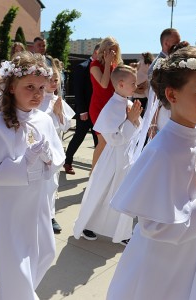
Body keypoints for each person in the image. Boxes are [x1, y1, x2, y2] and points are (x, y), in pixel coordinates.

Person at [107, 46, 196, 300]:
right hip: (159, 265)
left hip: (190, 254)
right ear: (172, 95)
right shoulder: (162, 151)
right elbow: (154, 226)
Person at [0, 51, 65, 300]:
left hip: (38, 199)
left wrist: (48, 158)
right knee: (15, 257)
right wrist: (23, 163)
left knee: (46, 251)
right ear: (12, 87)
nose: (37, 93)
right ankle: (18, 294)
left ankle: (13, 290)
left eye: (42, 87)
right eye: (30, 87)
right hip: (11, 202)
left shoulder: (44, 119)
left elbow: (57, 156)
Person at [74, 65, 142, 242]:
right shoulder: (111, 107)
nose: (136, 86)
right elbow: (113, 139)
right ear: (120, 84)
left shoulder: (128, 103)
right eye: (132, 83)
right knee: (102, 192)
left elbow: (136, 127)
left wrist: (134, 121)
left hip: (125, 157)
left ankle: (122, 232)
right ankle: (88, 225)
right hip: (112, 158)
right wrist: (130, 121)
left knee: (123, 194)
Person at [38, 63, 75, 234]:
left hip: (56, 148)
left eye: (56, 80)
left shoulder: (58, 101)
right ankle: (38, 214)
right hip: (39, 150)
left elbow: (66, 126)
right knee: (40, 183)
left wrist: (59, 113)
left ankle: (51, 215)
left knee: (53, 183)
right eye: (50, 79)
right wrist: (51, 112)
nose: (53, 83)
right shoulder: (37, 100)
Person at [63, 44, 100, 175]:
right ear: (97, 52)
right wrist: (82, 111)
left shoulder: (103, 69)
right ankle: (67, 162)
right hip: (85, 112)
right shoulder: (82, 67)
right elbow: (78, 91)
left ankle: (97, 168)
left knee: (98, 141)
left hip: (98, 112)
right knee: (78, 137)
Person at [89, 37, 122, 170]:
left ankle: (104, 172)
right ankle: (93, 173)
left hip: (111, 107)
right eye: (110, 51)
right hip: (98, 107)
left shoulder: (115, 66)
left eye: (115, 51)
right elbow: (103, 84)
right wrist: (108, 64)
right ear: (104, 51)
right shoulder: (95, 65)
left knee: (111, 142)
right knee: (102, 142)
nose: (112, 54)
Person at [132, 52, 155, 117]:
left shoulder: (142, 63)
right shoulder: (151, 64)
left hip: (138, 96)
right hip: (144, 95)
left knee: (138, 116)